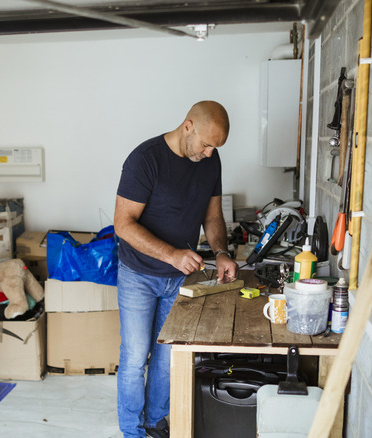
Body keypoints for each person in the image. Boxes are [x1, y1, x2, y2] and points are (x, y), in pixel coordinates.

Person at [113, 100, 239, 438]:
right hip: (138, 275)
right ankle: (131, 432)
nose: (210, 153)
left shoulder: (210, 162)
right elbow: (123, 225)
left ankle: (155, 425)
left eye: (216, 146)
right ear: (188, 127)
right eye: (206, 143)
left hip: (180, 281)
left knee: (168, 359)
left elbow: (212, 217)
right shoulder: (145, 160)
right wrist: (171, 254)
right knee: (136, 358)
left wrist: (222, 252)